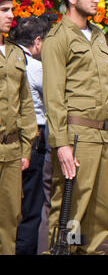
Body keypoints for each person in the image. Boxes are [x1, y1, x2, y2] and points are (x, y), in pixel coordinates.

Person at [41, 0, 108, 255]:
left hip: (103, 132)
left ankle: (89, 251)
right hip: (76, 135)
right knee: (71, 208)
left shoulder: (97, 35)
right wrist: (61, 144)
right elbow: (53, 96)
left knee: (98, 210)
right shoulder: (58, 38)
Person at [0, 0, 37, 255]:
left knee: (11, 217)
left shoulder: (14, 53)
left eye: (11, 9)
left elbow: (25, 105)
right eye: (4, 10)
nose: (11, 15)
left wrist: (26, 148)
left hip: (12, 150)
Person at [11, 16, 50, 255]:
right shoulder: (35, 67)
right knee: (32, 204)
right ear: (37, 42)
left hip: (10, 136)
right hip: (34, 135)